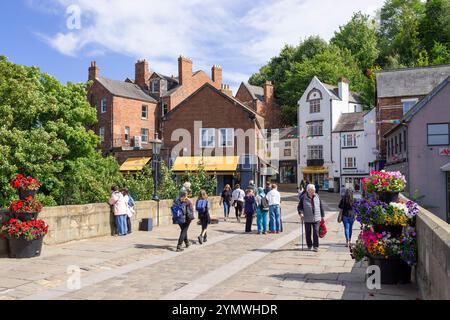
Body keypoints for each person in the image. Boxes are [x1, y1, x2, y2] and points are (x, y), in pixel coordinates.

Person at [298, 184, 325, 252]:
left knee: (316, 232)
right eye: (311, 190)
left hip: (317, 218)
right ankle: (309, 245)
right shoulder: (303, 197)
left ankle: (315, 246)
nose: (313, 191)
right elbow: (300, 207)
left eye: (314, 190)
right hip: (307, 218)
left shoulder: (317, 196)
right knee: (308, 232)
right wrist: (301, 213)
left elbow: (320, 206)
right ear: (308, 190)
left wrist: (322, 216)